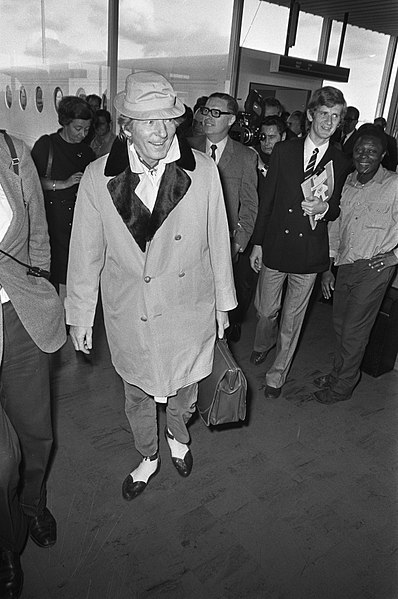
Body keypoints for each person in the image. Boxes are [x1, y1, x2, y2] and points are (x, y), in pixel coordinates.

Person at [65, 71, 236, 501]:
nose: (161, 131)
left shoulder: (204, 172)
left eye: (168, 119)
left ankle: (178, 435)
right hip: (131, 310)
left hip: (188, 304)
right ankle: (148, 455)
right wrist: (81, 314)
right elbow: (85, 252)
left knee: (184, 391)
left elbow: (219, 239)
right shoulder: (96, 178)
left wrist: (223, 303)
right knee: (138, 394)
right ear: (126, 126)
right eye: (148, 121)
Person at [249, 86, 351, 398]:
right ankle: (263, 343)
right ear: (310, 115)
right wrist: (258, 243)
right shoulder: (284, 151)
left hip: (309, 252)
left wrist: (326, 209)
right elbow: (267, 201)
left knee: (292, 320)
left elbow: (337, 207)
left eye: (335, 117)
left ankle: (276, 376)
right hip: (278, 245)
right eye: (324, 114)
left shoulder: (341, 161)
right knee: (266, 311)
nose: (328, 121)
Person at [0, 132, 66, 598]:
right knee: (1, 459)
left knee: (35, 432)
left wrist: (40, 284)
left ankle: (32, 502)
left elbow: (38, 235)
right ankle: (5, 543)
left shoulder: (13, 152)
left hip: (17, 314)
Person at [314, 125, 398, 404]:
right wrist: (328, 267)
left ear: (383, 154)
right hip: (345, 263)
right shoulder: (347, 181)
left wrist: (395, 257)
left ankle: (342, 387)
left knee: (354, 331)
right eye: (361, 149)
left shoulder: (394, 184)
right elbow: (335, 226)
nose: (365, 155)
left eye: (372, 150)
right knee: (340, 326)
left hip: (374, 268)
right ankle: (340, 373)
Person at [189, 92, 258, 342]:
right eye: (206, 111)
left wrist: (238, 243)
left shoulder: (245, 157)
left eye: (217, 113)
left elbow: (250, 205)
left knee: (219, 307)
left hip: (225, 243)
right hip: (188, 241)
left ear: (231, 120)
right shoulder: (187, 148)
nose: (209, 117)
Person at [31, 96, 95, 295]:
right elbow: (31, 182)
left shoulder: (86, 152)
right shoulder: (47, 145)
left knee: (74, 273)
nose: (83, 134)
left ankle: (70, 319)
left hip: (76, 221)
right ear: (65, 122)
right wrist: (64, 184)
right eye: (78, 128)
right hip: (51, 222)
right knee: (53, 273)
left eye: (86, 129)